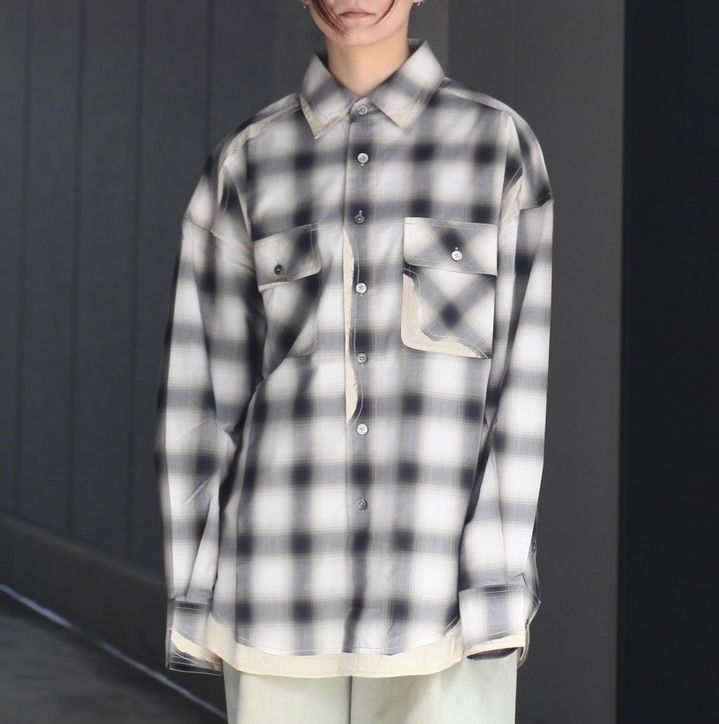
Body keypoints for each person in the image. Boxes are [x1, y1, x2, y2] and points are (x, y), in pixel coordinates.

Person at [154, 1, 554, 722]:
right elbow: (199, 402)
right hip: (275, 594)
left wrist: (494, 586)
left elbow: (518, 389)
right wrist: (192, 593)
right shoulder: (247, 160)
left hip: (442, 604)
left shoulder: (496, 146)